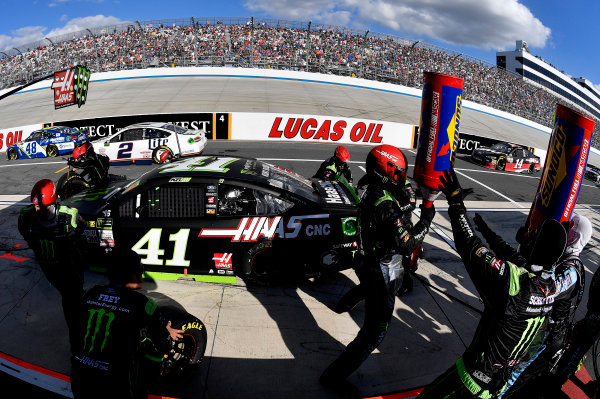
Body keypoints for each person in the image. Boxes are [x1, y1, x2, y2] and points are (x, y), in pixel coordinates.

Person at [417, 169, 567, 399]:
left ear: (540, 246)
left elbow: (470, 247)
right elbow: (512, 255)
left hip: (468, 382)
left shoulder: (514, 282)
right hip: (493, 387)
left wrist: (456, 204)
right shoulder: (550, 286)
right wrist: (487, 231)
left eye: (535, 235)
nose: (530, 236)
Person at [320, 144, 436, 392]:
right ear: (387, 169)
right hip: (379, 266)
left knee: (369, 286)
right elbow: (407, 243)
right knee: (375, 332)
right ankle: (332, 378)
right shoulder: (385, 203)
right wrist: (427, 216)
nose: (402, 177)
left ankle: (342, 304)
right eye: (399, 172)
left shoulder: (369, 187)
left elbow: (398, 210)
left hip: (365, 258)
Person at [472, 214, 591, 398]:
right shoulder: (566, 261)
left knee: (514, 373)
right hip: (543, 327)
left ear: (575, 236)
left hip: (547, 334)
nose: (565, 231)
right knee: (511, 366)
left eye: (568, 229)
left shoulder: (571, 270)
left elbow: (545, 289)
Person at [70, 248, 184, 399]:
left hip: (79, 379)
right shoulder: (144, 305)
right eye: (141, 269)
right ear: (132, 273)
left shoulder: (90, 293)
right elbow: (162, 346)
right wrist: (163, 331)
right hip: (116, 386)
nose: (142, 274)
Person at [18, 179, 84, 349]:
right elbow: (26, 235)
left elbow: (80, 235)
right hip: (48, 266)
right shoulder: (25, 217)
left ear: (54, 202)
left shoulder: (69, 215)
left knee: (72, 297)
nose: (39, 210)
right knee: (69, 297)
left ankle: (77, 338)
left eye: (44, 206)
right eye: (36, 206)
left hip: (69, 265)